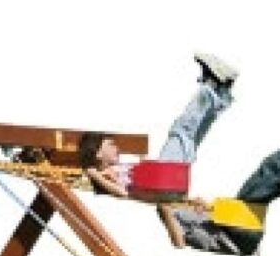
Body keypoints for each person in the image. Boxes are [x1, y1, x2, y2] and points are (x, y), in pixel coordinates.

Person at [159, 96, 280, 256]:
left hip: (236, 225)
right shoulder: (165, 210)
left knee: (276, 174)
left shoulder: (178, 206)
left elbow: (206, 219)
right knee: (274, 173)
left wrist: (202, 206)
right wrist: (166, 211)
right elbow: (179, 243)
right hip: (236, 236)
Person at [78, 52, 239, 203]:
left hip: (171, 185)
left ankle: (223, 90)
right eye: (111, 145)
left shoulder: (116, 169)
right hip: (162, 182)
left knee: (193, 137)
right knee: (181, 131)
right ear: (98, 153)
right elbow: (123, 194)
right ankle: (210, 85)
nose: (117, 148)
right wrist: (94, 174)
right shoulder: (100, 176)